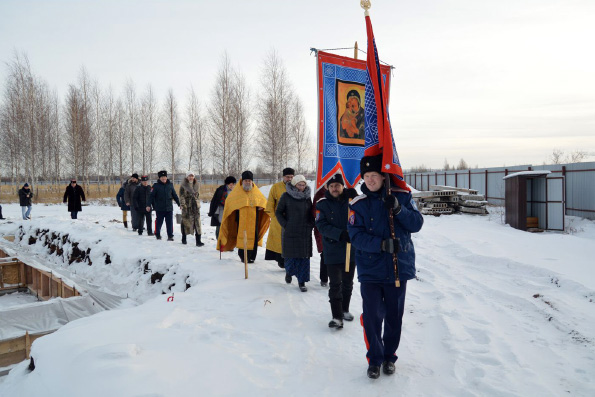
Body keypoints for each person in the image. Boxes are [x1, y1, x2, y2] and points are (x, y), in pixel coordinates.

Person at [348, 154, 423, 379]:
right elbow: (356, 236)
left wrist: (399, 210)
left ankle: (390, 357)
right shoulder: (357, 204)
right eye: (366, 176)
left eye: (374, 175)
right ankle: (375, 359)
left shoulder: (402, 196)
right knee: (372, 316)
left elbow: (417, 224)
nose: (370, 180)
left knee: (394, 316)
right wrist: (381, 244)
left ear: (383, 176)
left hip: (397, 269)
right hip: (370, 271)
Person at [315, 174, 358, 329]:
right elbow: (321, 225)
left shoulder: (350, 201)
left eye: (337, 186)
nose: (334, 188)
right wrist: (340, 234)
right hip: (332, 251)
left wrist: (356, 197)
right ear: (327, 187)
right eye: (332, 186)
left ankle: (345, 309)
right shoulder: (322, 204)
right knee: (335, 285)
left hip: (350, 251)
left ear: (342, 187)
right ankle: (337, 316)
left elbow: (362, 213)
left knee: (347, 283)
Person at [217, 171, 270, 263]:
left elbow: (263, 202)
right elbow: (230, 203)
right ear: (242, 181)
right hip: (240, 219)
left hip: (254, 219)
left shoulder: (256, 191)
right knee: (241, 237)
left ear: (252, 181)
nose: (248, 182)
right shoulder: (237, 192)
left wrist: (262, 207)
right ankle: (243, 257)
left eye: (249, 180)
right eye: (246, 180)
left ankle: (252, 256)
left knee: (253, 238)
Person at [275, 175, 314, 292]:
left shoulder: (307, 197)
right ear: (294, 184)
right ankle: (289, 272)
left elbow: (311, 213)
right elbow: (278, 212)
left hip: (304, 232)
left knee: (304, 258)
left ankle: (302, 282)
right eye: (299, 185)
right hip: (291, 231)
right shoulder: (286, 196)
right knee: (291, 257)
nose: (302, 187)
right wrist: (286, 225)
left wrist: (311, 224)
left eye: (303, 185)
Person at [265, 167, 294, 269]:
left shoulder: (297, 186)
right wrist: (274, 217)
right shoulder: (276, 187)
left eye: (291, 177)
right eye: (287, 177)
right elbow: (270, 204)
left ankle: (290, 262)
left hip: (293, 220)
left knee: (292, 242)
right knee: (279, 242)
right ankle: (281, 261)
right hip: (278, 220)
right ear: (283, 177)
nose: (289, 179)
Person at [147, 170, 180, 241]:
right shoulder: (155, 186)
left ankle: (170, 236)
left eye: (164, 177)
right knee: (159, 222)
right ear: (159, 178)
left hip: (169, 208)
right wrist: (148, 205)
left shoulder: (170, 185)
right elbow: (151, 196)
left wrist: (179, 204)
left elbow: (174, 195)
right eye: (162, 177)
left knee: (169, 223)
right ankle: (157, 234)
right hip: (159, 208)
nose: (163, 178)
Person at [179, 171, 204, 246]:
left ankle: (198, 241)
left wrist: (197, 203)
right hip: (187, 207)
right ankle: (184, 238)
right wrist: (183, 205)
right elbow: (181, 196)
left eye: (192, 176)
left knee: (198, 223)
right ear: (187, 177)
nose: (191, 177)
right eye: (189, 176)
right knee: (185, 222)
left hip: (195, 207)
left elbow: (197, 196)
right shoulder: (183, 185)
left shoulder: (196, 185)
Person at [312, 187, 328, 287]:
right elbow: (314, 212)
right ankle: (324, 278)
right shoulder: (320, 194)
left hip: (337, 228)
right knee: (325, 253)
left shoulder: (342, 193)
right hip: (322, 229)